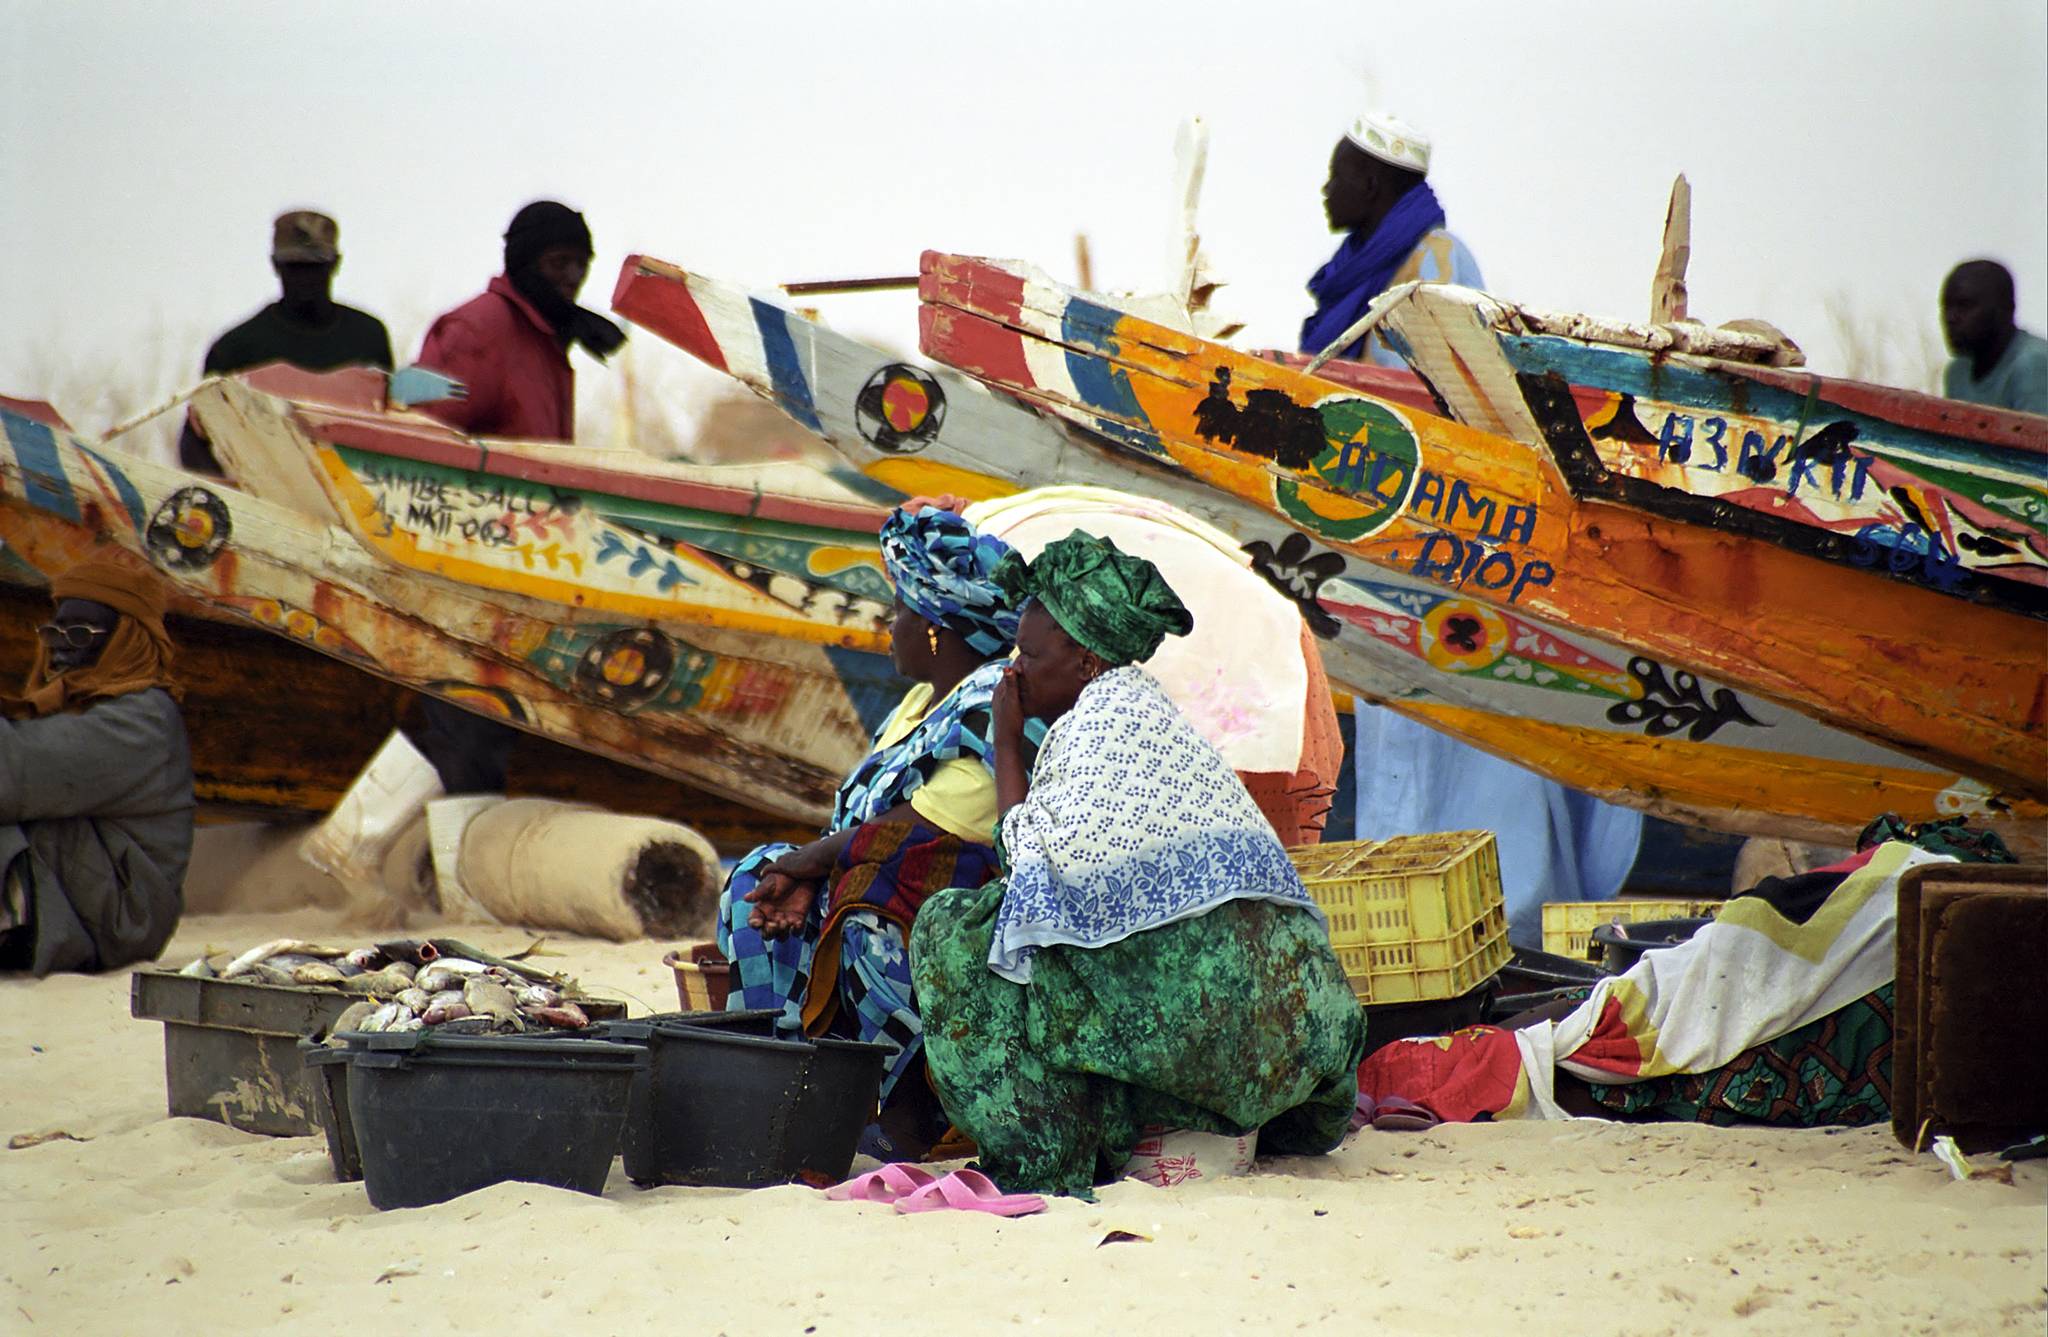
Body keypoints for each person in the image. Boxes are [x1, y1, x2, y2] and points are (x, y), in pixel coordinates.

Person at [909, 532, 1366, 1197]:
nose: (1014, 670)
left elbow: (1023, 879)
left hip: (1199, 1054)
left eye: (1029, 654)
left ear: (1087, 662)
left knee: (956, 928)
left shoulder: (1096, 729)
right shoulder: (1152, 719)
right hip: (1286, 1062)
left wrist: (1005, 739)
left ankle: (1046, 1157)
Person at [715, 503, 1040, 1156]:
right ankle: (779, 1081)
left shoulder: (993, 707)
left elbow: (922, 828)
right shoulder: (922, 703)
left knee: (863, 906)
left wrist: (815, 863)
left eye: (899, 610)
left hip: (961, 935)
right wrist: (803, 871)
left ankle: (903, 1113)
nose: (888, 626)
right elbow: (868, 832)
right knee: (756, 877)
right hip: (875, 880)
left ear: (932, 628)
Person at [1, 560, 195, 976]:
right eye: (54, 632)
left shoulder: (145, 718)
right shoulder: (68, 702)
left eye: (79, 634)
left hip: (122, 921)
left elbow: (14, 775)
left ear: (127, 637)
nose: (60, 648)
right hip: (86, 890)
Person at [179, 210, 393, 474]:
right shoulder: (236, 348)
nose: (304, 278)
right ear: (275, 265)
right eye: (294, 266)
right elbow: (197, 439)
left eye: (315, 266)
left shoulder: (368, 338)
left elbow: (393, 429)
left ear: (335, 264)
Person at [413, 199, 626, 442]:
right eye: (560, 263)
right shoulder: (480, 328)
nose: (574, 277)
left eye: (582, 264)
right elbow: (428, 439)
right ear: (525, 262)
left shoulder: (547, 336)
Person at [1299, 111, 1484, 367]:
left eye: (1337, 175)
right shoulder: (1350, 266)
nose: (1327, 188)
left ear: (1369, 185)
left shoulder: (1438, 254)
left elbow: (1419, 379)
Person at [1940, 259, 2048, 415]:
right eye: (1946, 306)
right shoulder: (1958, 372)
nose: (1950, 318)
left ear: (2005, 309)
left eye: (1965, 305)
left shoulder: (2032, 364)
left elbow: (2039, 438)